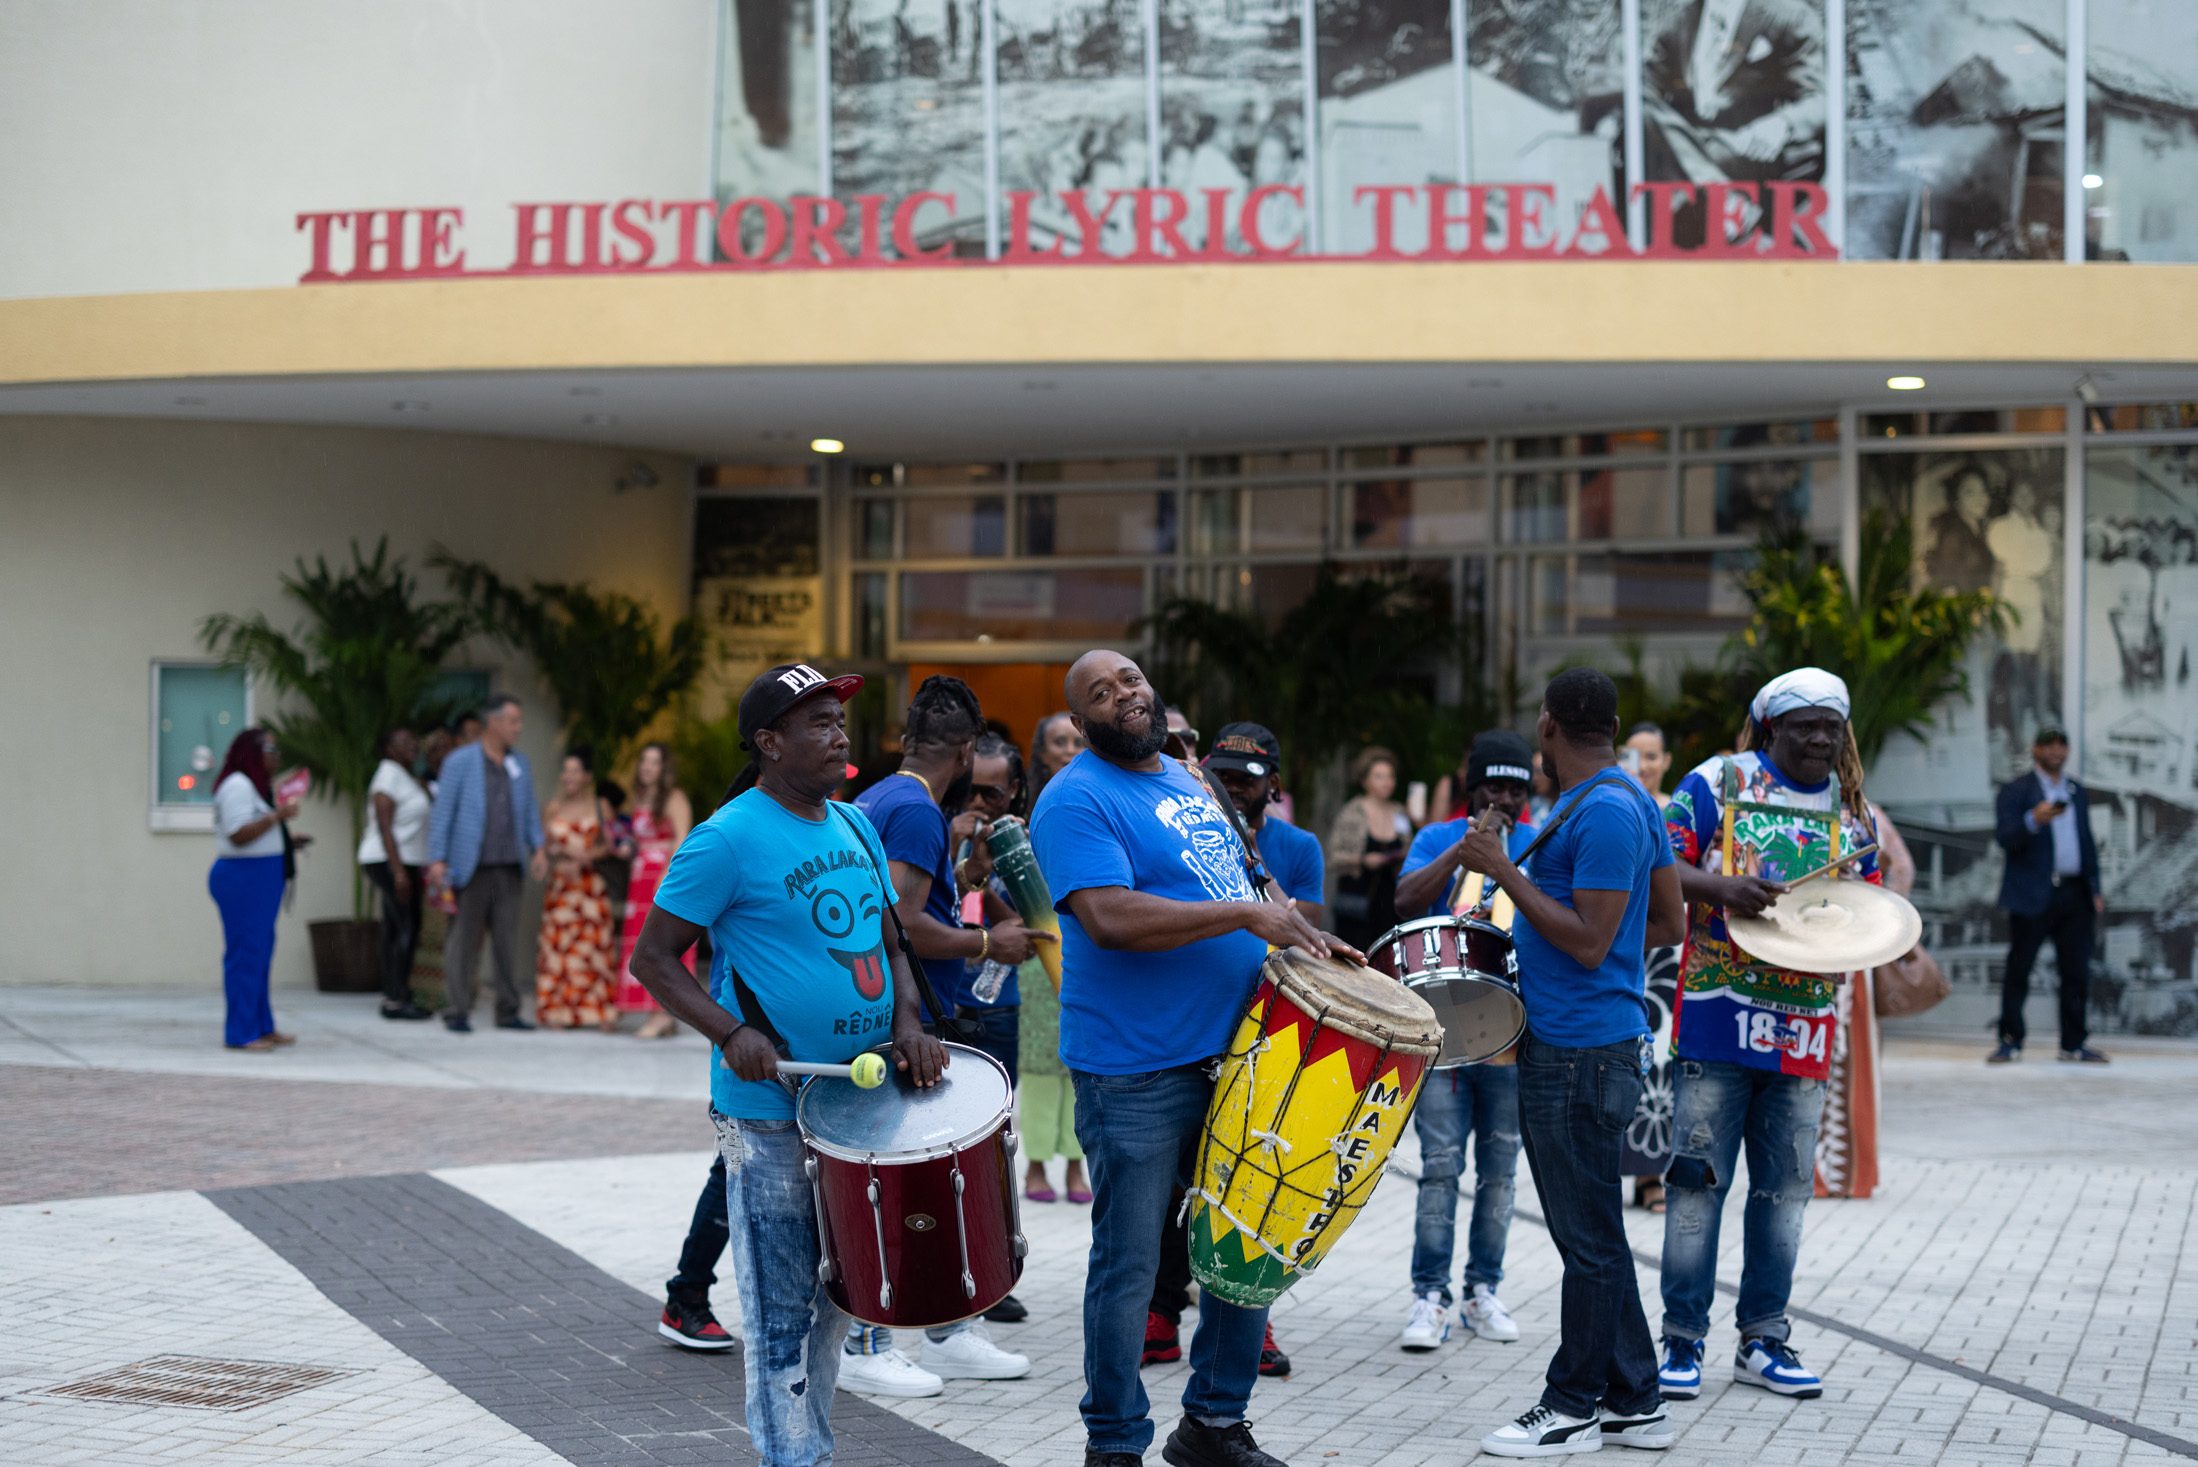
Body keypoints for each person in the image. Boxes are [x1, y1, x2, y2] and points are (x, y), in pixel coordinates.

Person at [627, 661, 950, 1467]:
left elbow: (890, 944)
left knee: (837, 1303)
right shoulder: (726, 837)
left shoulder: (856, 826)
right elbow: (655, 958)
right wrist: (728, 1028)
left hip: (857, 1105)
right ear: (770, 742)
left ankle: (810, 1453)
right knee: (779, 1314)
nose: (840, 732)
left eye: (839, 718)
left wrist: (908, 1019)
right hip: (768, 1112)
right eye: (818, 721)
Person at [1032, 648, 1348, 1467]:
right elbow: (1108, 917)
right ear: (1081, 721)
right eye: (1100, 693)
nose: (1123, 697)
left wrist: (1308, 940)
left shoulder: (1187, 775)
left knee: (1248, 1246)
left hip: (1239, 1053)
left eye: (1129, 680)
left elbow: (1248, 876)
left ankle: (1212, 1422)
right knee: (1131, 1265)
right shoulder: (1074, 800)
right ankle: (1114, 1440)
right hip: (1135, 1067)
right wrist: (1243, 913)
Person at [1453, 668, 1685, 1458]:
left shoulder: (1609, 811)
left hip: (1580, 1051)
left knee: (1585, 1238)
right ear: (1612, 726)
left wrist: (1505, 870)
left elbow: (1591, 939)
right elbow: (1664, 920)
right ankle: (1636, 1398)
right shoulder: (1620, 802)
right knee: (1596, 1233)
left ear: (1548, 726)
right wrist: (1604, 946)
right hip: (1584, 1042)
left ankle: (1571, 1403)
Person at [1656, 668, 1882, 1405]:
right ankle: (1681, 1343)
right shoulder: (1718, 782)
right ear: (1769, 725)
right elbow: (1657, 863)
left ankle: (1763, 1338)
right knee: (1696, 1186)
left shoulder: (1852, 816)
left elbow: (1866, 907)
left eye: (1831, 725)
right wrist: (1719, 887)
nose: (1819, 737)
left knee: (1783, 1194)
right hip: (1717, 1021)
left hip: (1802, 1032)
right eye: (1804, 723)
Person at [841, 677, 1036, 1397]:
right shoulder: (918, 809)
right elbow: (901, 923)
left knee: (935, 1179)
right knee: (898, 1184)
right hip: (914, 1024)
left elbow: (900, 906)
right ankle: (865, 1339)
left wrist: (964, 882)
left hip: (905, 1018)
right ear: (962, 750)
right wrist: (988, 940)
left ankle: (951, 1328)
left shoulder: (884, 797)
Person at [1388, 730, 1536, 1354]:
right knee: (1441, 1168)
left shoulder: (1539, 840)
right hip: (1444, 1031)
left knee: (1500, 1173)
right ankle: (1431, 1295)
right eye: (1492, 786)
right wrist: (1461, 854)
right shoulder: (1434, 837)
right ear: (1471, 786)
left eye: (1515, 788)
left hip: (1512, 1034)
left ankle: (1483, 1289)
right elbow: (1400, 901)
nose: (1503, 798)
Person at [951, 729, 1047, 1323]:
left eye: (993, 792)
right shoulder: (934, 833)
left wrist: (985, 874)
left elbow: (1036, 933)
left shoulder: (1024, 847)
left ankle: (989, 1276)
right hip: (937, 1010)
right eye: (971, 790)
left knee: (991, 1148)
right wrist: (954, 854)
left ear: (1014, 791)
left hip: (997, 1009)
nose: (980, 803)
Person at [426, 694, 550, 1033]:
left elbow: (528, 810)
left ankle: (507, 1011)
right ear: (493, 722)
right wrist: (436, 858)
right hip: (470, 866)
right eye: (513, 721)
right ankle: (457, 1010)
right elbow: (443, 812)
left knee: (506, 944)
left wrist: (537, 848)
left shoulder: (519, 764)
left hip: (509, 866)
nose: (518, 728)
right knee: (463, 941)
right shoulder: (460, 762)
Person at [1992, 723, 2107, 1064]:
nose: (2056, 751)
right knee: (2020, 968)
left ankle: (2073, 1043)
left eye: (2062, 745)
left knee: (2076, 971)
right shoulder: (2017, 790)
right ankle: (2010, 1040)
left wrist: (2095, 887)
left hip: (2074, 893)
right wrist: (2033, 820)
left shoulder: (2075, 790)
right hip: (2032, 893)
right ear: (2036, 750)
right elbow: (2005, 837)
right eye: (2049, 745)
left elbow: (2085, 841)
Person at [208, 726, 300, 1052]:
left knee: (260, 954)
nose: (277, 758)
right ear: (252, 754)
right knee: (246, 956)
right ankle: (241, 1032)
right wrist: (278, 818)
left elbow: (255, 832)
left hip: (261, 877)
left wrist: (287, 840)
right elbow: (237, 833)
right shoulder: (237, 785)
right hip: (244, 880)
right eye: (271, 751)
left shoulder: (255, 788)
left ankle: (262, 1025)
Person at [1204, 723, 1327, 929]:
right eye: (1222, 777)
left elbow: (1306, 929)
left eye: (1246, 779)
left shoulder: (1301, 845)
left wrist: (1256, 861)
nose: (1232, 787)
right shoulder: (1189, 833)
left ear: (1273, 782)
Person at [536, 748, 619, 1031]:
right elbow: (543, 846)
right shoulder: (553, 808)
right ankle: (559, 1011)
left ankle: (599, 1012)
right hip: (561, 885)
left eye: (575, 771)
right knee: (560, 948)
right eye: (565, 771)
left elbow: (612, 844)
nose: (568, 776)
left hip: (588, 886)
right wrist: (555, 852)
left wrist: (586, 857)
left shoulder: (600, 806)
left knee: (594, 948)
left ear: (586, 777)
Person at [618, 742, 696, 1039]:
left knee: (660, 942)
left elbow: (683, 836)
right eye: (644, 761)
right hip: (639, 877)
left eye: (654, 762)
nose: (647, 767)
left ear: (664, 768)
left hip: (661, 876)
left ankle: (660, 1014)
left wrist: (667, 872)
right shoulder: (641, 797)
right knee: (639, 942)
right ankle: (659, 1013)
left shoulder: (674, 798)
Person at [358, 727, 434, 1021]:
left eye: (414, 739)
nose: (413, 745)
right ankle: (396, 1000)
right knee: (406, 925)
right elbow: (384, 824)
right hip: (388, 860)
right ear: (389, 748)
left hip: (404, 860)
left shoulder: (404, 775)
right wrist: (398, 870)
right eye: (404, 742)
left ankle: (396, 993)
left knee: (397, 926)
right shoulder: (388, 774)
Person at [1327, 745, 1415, 951]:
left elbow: (1411, 852)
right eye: (1379, 776)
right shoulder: (1353, 812)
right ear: (1365, 780)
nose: (1387, 782)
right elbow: (1332, 857)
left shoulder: (1400, 812)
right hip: (1356, 902)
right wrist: (1362, 860)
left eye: (1390, 776)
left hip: (1390, 903)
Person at [1031, 710, 1085, 799]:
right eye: (1060, 742)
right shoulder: (1023, 803)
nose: (1070, 750)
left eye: (1078, 743)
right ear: (1043, 752)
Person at [1624, 722, 1673, 807]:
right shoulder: (1614, 806)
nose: (1641, 766)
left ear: (1666, 761)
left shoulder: (1675, 811)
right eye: (1634, 758)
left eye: (1651, 757)